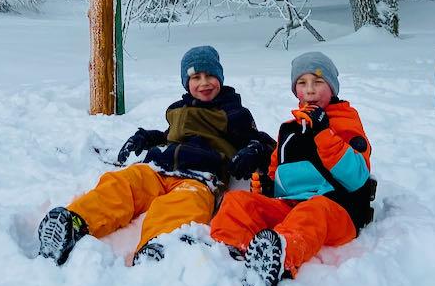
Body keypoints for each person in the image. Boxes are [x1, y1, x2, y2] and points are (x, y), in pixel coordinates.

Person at [37, 45, 275, 266]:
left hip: (200, 176)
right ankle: (74, 222)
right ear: (186, 82)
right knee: (121, 184)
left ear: (220, 78)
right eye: (195, 77)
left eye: (209, 76)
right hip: (157, 167)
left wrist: (252, 151)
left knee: (182, 205)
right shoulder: (179, 110)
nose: (204, 83)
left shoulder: (233, 112)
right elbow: (171, 136)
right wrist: (149, 137)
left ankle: (158, 244)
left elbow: (262, 141)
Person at [210, 51, 375, 286]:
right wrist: (265, 186)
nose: (310, 90)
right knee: (238, 202)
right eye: (302, 83)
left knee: (312, 210)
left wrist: (323, 133)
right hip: (291, 208)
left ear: (333, 88)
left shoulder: (345, 121)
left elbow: (356, 176)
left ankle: (282, 255)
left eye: (318, 82)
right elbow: (278, 173)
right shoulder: (289, 130)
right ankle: (228, 251)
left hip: (336, 210)